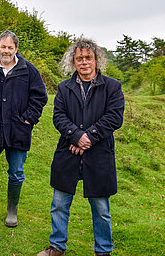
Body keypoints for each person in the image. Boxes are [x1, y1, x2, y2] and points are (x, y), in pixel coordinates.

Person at [37, 38, 124, 256]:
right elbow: (58, 117)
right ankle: (57, 247)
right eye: (79, 59)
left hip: (99, 154)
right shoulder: (64, 87)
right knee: (59, 203)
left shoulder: (112, 87)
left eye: (88, 58)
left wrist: (89, 138)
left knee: (101, 209)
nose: (84, 62)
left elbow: (114, 117)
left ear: (97, 60)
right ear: (73, 62)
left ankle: (103, 250)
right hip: (68, 152)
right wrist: (75, 136)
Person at [0, 30, 47, 227]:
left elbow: (40, 97)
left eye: (10, 47)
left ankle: (12, 211)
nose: (6, 51)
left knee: (16, 172)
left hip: (18, 131)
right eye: (3, 47)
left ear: (16, 48)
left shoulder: (29, 70)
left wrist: (28, 119)